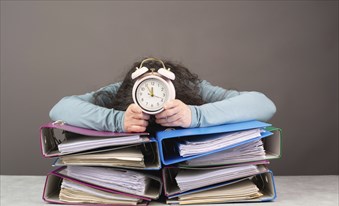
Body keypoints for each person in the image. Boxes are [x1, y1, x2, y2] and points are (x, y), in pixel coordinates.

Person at [49, 58, 276, 133]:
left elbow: (263, 104)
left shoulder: (193, 87)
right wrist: (117, 121)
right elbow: (61, 108)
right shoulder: (120, 89)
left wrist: (194, 115)